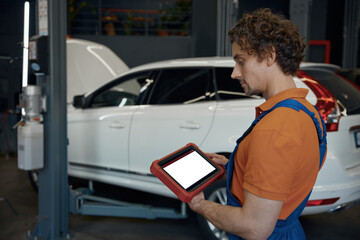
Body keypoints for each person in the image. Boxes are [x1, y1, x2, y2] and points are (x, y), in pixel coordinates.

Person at [188, 8, 327, 240]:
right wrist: (235, 164)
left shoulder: (275, 128)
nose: (235, 73)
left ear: (270, 56)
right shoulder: (307, 112)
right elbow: (286, 171)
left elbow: (254, 227)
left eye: (241, 61)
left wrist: (201, 206)